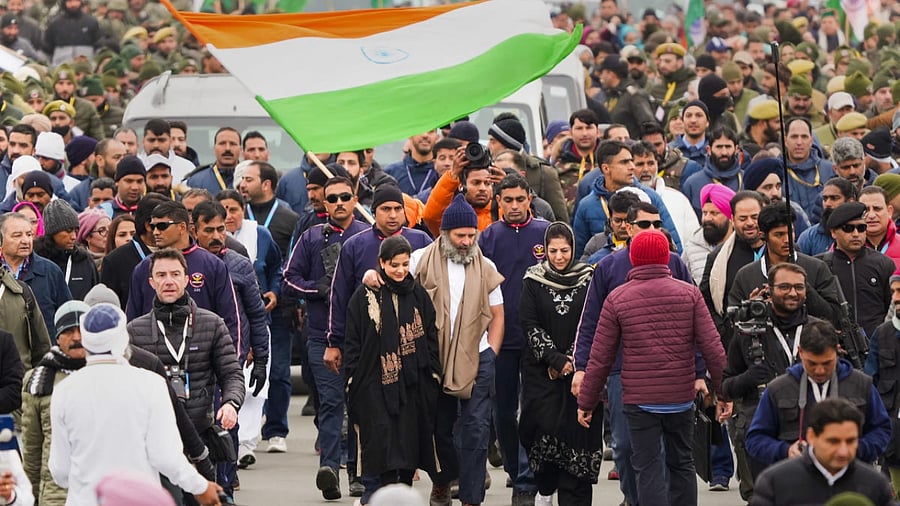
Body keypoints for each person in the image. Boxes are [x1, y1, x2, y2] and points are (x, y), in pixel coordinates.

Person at [577, 229, 727, 506]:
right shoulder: (690, 294)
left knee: (647, 466)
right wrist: (723, 392)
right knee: (682, 462)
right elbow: (712, 346)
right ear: (667, 258)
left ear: (633, 258)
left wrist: (587, 400)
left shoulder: (618, 298)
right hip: (680, 397)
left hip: (638, 400)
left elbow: (600, 356)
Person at [49, 303, 223, 506]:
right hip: (140, 499)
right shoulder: (150, 384)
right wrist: (200, 487)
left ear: (86, 341)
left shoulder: (64, 391)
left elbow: (60, 472)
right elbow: (166, 457)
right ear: (123, 338)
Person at [407, 195, 503, 506]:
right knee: (440, 430)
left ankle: (472, 498)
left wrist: (492, 353)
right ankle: (443, 480)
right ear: (444, 233)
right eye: (459, 235)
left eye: (471, 235)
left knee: (475, 430)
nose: (465, 242)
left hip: (478, 357)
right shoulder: (419, 260)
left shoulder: (485, 265)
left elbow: (498, 314)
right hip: (433, 360)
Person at [127, 248, 244, 500]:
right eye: (161, 275)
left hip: (201, 434)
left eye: (175, 274)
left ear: (186, 279)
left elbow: (231, 372)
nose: (168, 281)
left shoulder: (211, 323)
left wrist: (231, 403)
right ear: (151, 282)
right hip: (154, 442)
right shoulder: (134, 331)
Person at [282, 176, 368, 500]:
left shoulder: (367, 236)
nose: (340, 202)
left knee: (361, 405)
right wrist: (317, 289)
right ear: (324, 202)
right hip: (321, 335)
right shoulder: (311, 237)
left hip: (364, 337)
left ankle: (358, 473)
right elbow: (289, 280)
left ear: (355, 197)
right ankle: (330, 468)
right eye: (333, 198)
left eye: (346, 196)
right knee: (332, 403)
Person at [344, 235, 441, 498]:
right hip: (375, 382)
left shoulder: (418, 294)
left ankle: (404, 496)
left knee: (410, 444)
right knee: (381, 442)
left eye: (405, 264)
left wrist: (432, 374)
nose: (400, 270)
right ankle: (378, 497)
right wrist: (352, 379)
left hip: (413, 384)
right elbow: (352, 339)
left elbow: (431, 336)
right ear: (381, 263)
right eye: (394, 265)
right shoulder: (365, 295)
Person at [722, 262, 823, 497]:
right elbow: (726, 386)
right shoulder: (748, 331)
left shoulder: (817, 329)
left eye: (799, 287)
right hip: (762, 427)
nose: (792, 293)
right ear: (770, 289)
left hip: (809, 426)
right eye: (785, 287)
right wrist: (749, 378)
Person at [477, 174, 548, 504]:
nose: (515, 206)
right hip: (501, 338)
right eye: (508, 200)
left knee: (534, 410)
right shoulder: (489, 237)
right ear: (498, 201)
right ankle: (514, 465)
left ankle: (528, 478)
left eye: (521, 199)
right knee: (503, 411)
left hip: (538, 339)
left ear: (530, 198)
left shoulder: (546, 232)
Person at [519, 222, 600, 505]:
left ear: (573, 248)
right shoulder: (533, 280)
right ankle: (545, 488)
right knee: (540, 429)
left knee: (578, 439)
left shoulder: (589, 278)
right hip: (542, 373)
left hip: (581, 370)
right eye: (553, 251)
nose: (559, 257)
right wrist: (554, 358)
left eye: (564, 250)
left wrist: (574, 359)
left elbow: (593, 322)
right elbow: (529, 324)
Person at [745, 321, 891, 468]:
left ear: (837, 350)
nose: (820, 370)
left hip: (852, 477)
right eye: (812, 364)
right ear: (800, 352)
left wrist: (855, 449)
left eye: (827, 363)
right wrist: (785, 451)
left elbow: (882, 430)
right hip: (796, 478)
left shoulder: (861, 385)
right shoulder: (778, 389)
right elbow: (755, 439)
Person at [750, 399, 894, 506]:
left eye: (851, 441)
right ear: (812, 436)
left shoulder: (876, 484)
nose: (843, 451)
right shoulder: (775, 482)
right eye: (833, 442)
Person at [818, 202, 895, 338]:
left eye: (861, 228)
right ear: (834, 232)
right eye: (848, 228)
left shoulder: (883, 264)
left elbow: (892, 308)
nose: (856, 234)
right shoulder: (819, 265)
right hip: (833, 346)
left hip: (876, 345)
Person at [0, 212, 71, 338]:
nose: (25, 240)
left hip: (43, 354)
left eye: (29, 234)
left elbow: (67, 315)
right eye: (17, 236)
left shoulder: (50, 271)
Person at [33, 199, 99, 301]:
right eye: (68, 231)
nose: (73, 236)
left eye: (75, 230)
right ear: (52, 232)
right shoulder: (36, 260)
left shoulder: (84, 260)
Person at [683, 184, 734, 282]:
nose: (707, 218)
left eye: (714, 213)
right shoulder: (692, 247)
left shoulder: (741, 246)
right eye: (705, 213)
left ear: (730, 217)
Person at [798, 177, 858, 256]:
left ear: (850, 201)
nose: (828, 204)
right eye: (825, 199)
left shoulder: (860, 232)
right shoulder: (809, 237)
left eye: (834, 198)